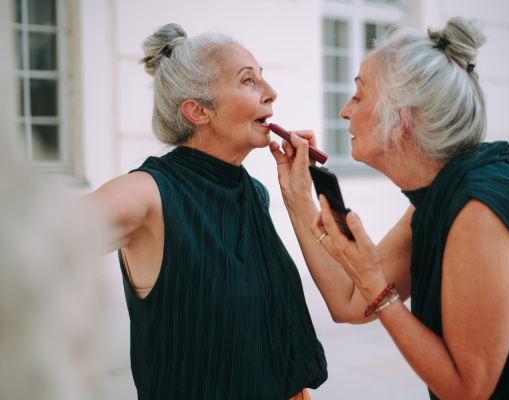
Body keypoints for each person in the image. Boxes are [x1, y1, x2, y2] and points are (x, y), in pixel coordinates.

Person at [270, 16, 509, 399]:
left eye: (359, 96)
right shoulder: (442, 193)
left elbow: (466, 390)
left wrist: (376, 283)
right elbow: (349, 301)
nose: (345, 111)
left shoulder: (479, 213)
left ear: (401, 121)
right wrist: (297, 195)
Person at [83, 23, 327, 400]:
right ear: (198, 111)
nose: (271, 92)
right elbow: (38, 237)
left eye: (263, 77)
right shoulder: (150, 194)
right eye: (248, 80)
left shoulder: (254, 193)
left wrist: (299, 195)